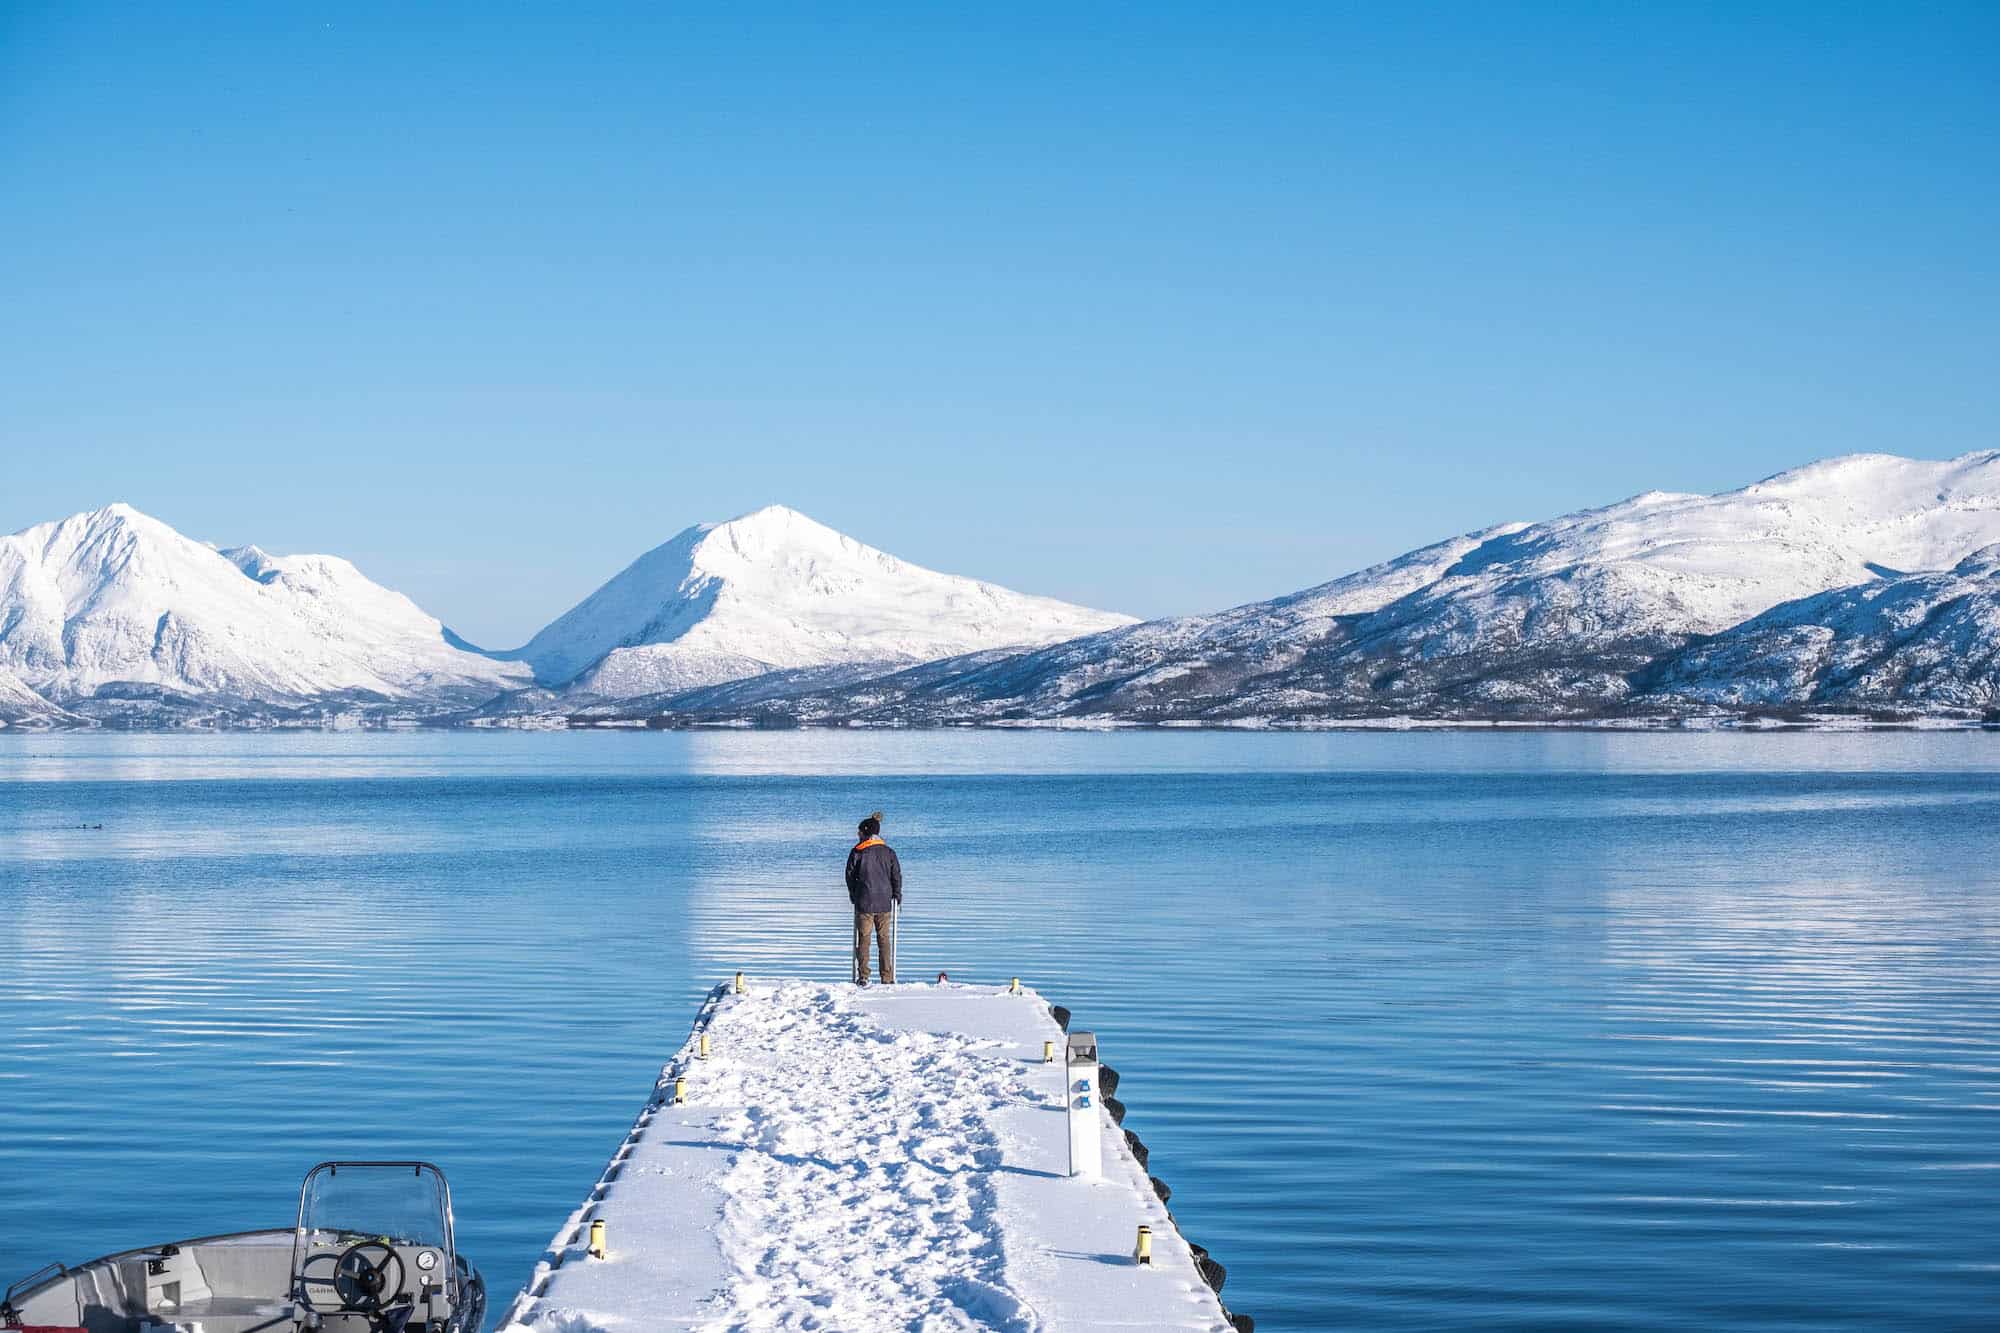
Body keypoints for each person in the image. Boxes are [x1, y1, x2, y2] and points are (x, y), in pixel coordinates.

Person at [845, 811, 902, 985]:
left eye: (859, 831)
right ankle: (886, 976)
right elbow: (896, 876)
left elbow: (849, 876)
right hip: (884, 902)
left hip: (864, 902)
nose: (857, 834)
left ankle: (863, 976)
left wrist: (854, 894)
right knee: (884, 940)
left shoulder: (858, 852)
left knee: (864, 939)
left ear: (865, 832)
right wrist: (897, 894)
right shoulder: (889, 852)